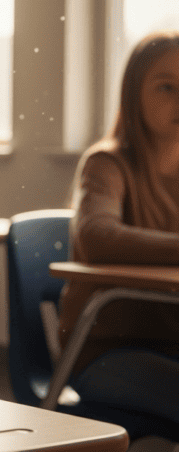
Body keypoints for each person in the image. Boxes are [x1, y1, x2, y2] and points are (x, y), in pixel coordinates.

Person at [59, 30, 179, 425]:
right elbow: (97, 236)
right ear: (133, 94)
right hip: (104, 355)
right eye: (166, 87)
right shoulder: (107, 164)